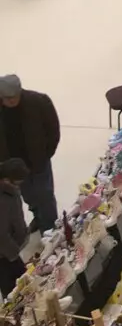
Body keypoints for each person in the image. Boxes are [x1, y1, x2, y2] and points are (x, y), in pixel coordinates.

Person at [0, 75, 60, 231]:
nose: (11, 101)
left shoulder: (39, 102)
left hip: (38, 161)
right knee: (28, 196)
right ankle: (38, 218)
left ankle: (50, 229)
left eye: (14, 97)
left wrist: (46, 154)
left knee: (45, 195)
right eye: (6, 98)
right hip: (13, 166)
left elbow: (53, 130)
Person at [0, 158, 30, 297]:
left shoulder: (9, 190)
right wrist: (13, 253)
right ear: (6, 179)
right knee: (12, 290)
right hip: (5, 255)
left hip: (11, 252)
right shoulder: (3, 199)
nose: (18, 187)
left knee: (24, 282)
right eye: (17, 184)